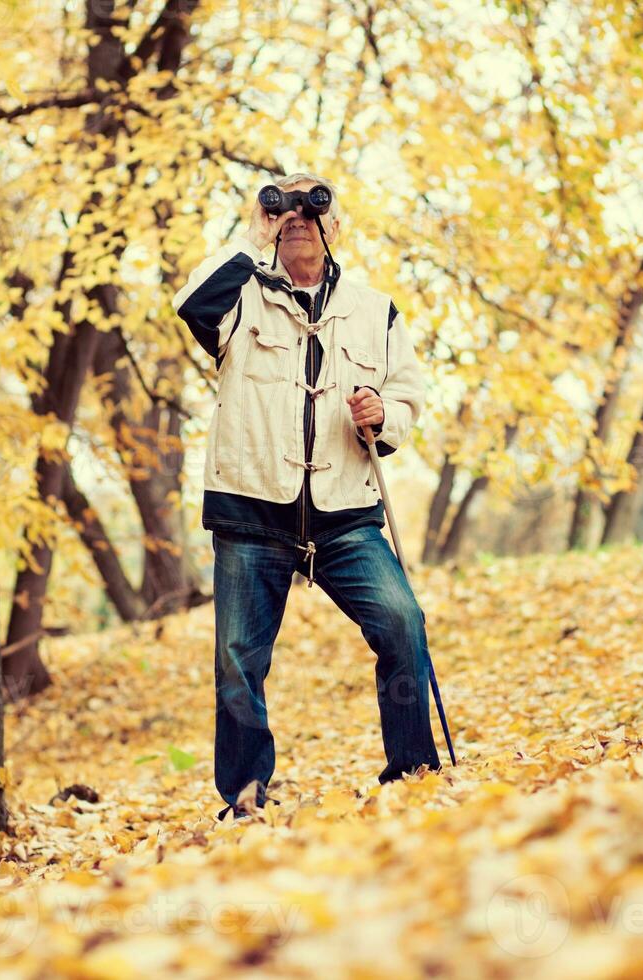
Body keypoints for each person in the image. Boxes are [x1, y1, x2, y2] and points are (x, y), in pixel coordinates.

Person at [173, 173, 442, 820]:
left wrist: (385, 414)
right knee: (239, 662)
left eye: (309, 207)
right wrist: (254, 237)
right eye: (282, 207)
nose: (295, 215)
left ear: (335, 226)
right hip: (253, 508)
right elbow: (190, 303)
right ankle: (244, 800)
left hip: (344, 511)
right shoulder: (240, 299)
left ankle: (413, 774)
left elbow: (408, 397)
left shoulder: (375, 310)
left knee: (402, 623)